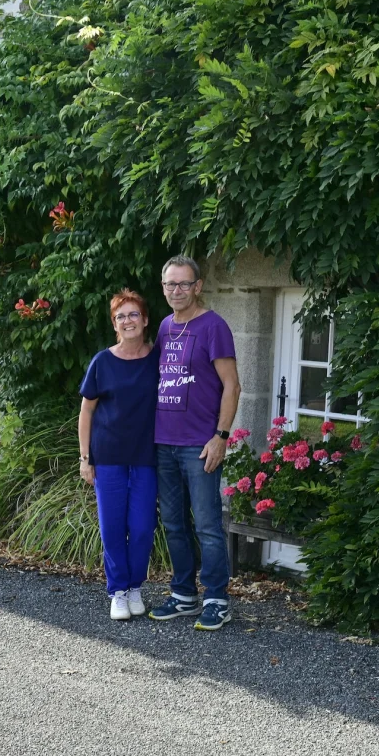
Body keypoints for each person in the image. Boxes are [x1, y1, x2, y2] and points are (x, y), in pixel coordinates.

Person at [149, 255, 241, 631]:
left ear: (198, 286)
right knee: (173, 523)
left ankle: (217, 598)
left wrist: (220, 437)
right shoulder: (165, 327)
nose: (177, 291)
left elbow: (232, 386)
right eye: (170, 284)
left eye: (184, 284)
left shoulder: (213, 327)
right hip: (163, 443)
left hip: (199, 445)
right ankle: (184, 594)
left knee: (206, 524)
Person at [78, 289, 160, 620]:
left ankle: (136, 586)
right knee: (112, 527)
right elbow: (86, 412)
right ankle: (119, 592)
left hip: (146, 457)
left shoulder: (158, 360)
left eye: (133, 314)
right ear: (115, 324)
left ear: (145, 320)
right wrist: (85, 458)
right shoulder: (102, 362)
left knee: (141, 527)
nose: (128, 321)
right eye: (120, 316)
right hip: (108, 457)